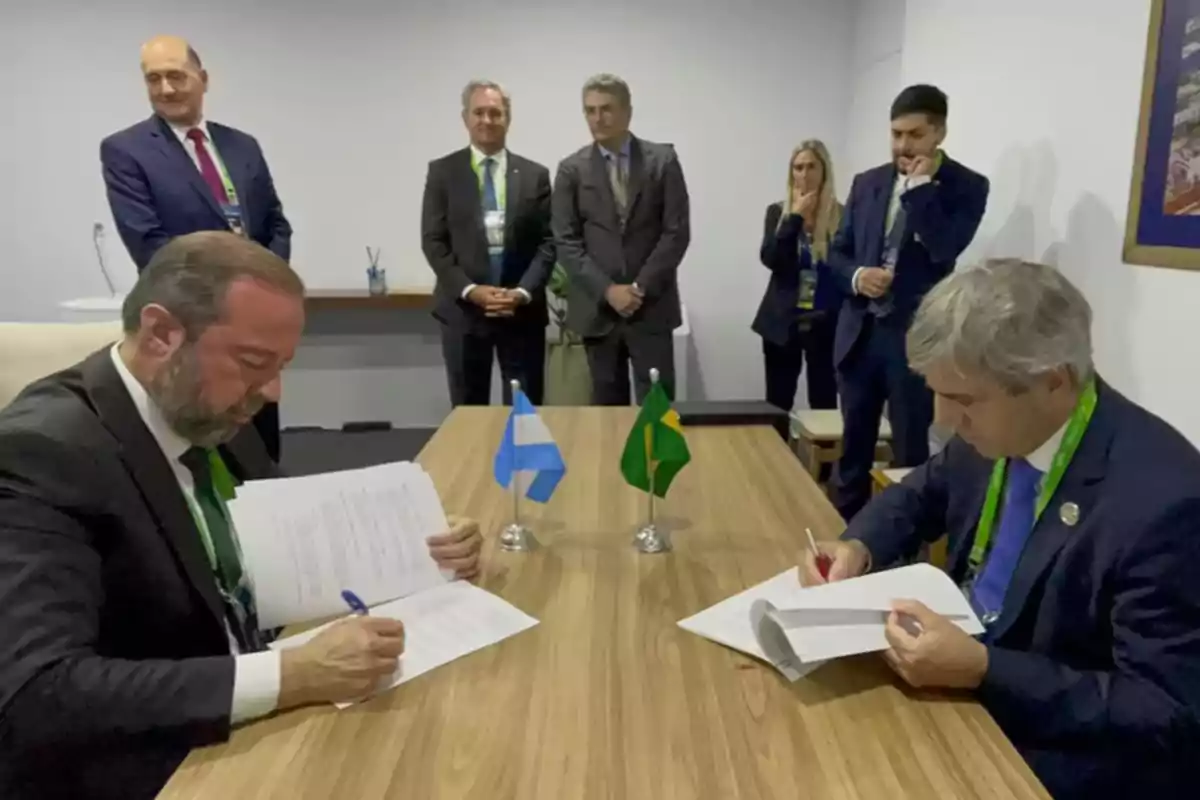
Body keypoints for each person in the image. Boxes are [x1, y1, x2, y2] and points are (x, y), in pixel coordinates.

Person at [0, 233, 484, 800]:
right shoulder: (41, 454)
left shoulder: (207, 407)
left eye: (282, 366)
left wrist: (417, 540)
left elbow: (281, 534)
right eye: (255, 362)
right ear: (161, 335)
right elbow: (36, 693)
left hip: (251, 717)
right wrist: (293, 675)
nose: (273, 392)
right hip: (150, 762)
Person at [802, 259, 1200, 800]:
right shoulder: (1000, 424)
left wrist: (984, 670)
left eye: (962, 401)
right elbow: (920, 495)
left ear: (1052, 382)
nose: (942, 420)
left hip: (1050, 752)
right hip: (950, 685)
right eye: (937, 393)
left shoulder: (1164, 504)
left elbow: (1162, 712)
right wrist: (858, 546)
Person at [100, 35, 290, 460]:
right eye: (154, 79)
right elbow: (148, 242)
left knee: (260, 441)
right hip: (192, 325)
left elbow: (275, 223)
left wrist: (268, 289)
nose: (165, 89)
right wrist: (224, 297)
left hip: (257, 321)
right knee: (205, 444)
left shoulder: (242, 146)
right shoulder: (126, 151)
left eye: (176, 76)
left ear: (202, 79)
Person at [827, 84, 989, 520]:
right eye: (896, 134)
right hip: (859, 334)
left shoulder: (968, 187)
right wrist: (859, 277)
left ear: (939, 132)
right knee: (854, 450)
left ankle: (899, 548)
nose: (902, 145)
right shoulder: (868, 183)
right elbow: (837, 252)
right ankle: (845, 540)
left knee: (910, 453)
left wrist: (918, 191)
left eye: (914, 135)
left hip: (913, 340)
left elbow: (943, 249)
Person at [552, 73, 691, 404]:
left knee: (656, 410)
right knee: (605, 412)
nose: (597, 118)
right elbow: (566, 240)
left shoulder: (662, 161)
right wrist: (608, 291)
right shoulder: (571, 169)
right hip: (599, 313)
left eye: (606, 109)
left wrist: (638, 288)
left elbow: (676, 232)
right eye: (590, 110)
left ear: (627, 112)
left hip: (651, 308)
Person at [421, 79, 555, 406]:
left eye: (495, 113)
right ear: (465, 118)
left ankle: (522, 461)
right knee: (468, 412)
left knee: (526, 411)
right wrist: (471, 290)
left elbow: (549, 242)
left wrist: (522, 292)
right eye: (479, 112)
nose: (487, 120)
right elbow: (434, 241)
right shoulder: (443, 172)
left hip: (521, 313)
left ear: (508, 118)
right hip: (464, 313)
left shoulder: (535, 175)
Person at [752, 140, 843, 429]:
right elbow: (771, 259)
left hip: (825, 322)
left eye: (811, 166)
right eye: (798, 167)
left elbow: (845, 266)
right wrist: (794, 218)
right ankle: (774, 461)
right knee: (778, 402)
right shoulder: (778, 213)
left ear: (824, 170)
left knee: (825, 401)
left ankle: (824, 471)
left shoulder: (841, 215)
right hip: (783, 321)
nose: (804, 174)